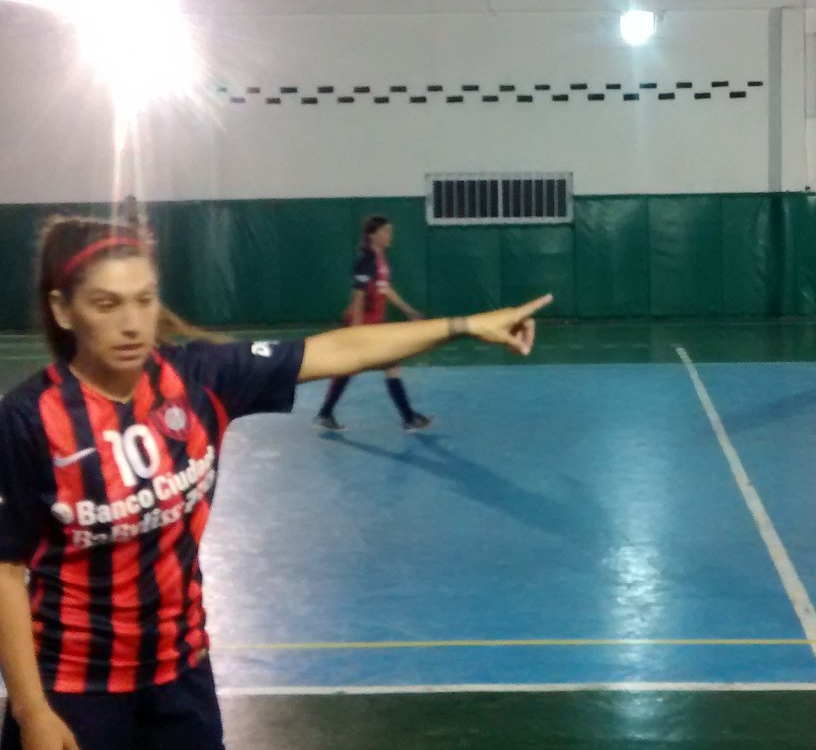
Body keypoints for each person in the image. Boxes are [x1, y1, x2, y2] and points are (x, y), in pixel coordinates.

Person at [0, 215, 551, 749]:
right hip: (74, 692)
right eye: (106, 304)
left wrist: (465, 325)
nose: (131, 323)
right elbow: (5, 571)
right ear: (63, 309)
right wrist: (31, 710)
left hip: (182, 678)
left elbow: (337, 349)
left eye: (145, 300)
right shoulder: (29, 419)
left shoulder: (200, 379)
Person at [314, 215, 431, 432]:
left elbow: (385, 290)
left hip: (374, 324)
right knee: (383, 365)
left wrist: (409, 311)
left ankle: (325, 413)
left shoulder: (380, 258)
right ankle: (408, 418)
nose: (390, 235)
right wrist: (357, 330)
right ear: (372, 235)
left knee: (356, 367)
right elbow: (358, 296)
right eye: (385, 231)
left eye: (390, 231)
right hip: (364, 325)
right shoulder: (366, 260)